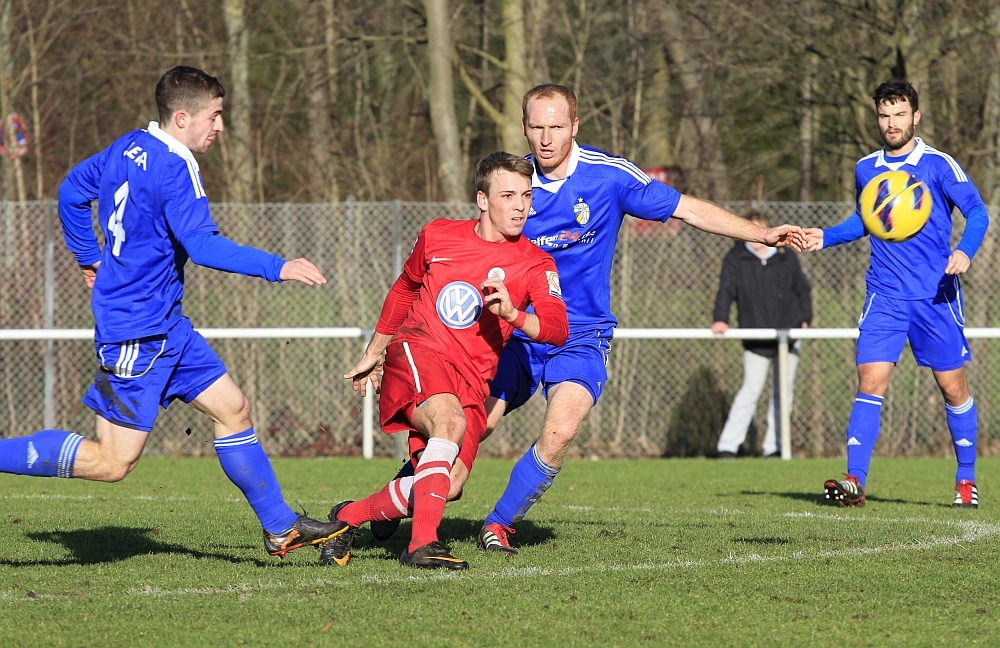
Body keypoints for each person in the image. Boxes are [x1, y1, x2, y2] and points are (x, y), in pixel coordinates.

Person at [369, 83, 806, 555]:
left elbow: (687, 208)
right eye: (536, 127)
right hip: (514, 335)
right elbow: (470, 254)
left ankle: (498, 524)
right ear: (523, 127)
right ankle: (401, 491)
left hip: (580, 335)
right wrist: (403, 341)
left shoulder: (608, 177)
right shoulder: (514, 185)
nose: (546, 137)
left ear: (575, 126)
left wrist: (759, 232)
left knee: (560, 432)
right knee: (467, 439)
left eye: (556, 126)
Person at [0, 66, 349, 557]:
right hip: (136, 332)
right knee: (112, 463)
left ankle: (279, 526)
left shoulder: (128, 146)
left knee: (233, 408)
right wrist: (278, 266)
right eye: (216, 115)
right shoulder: (175, 165)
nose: (221, 127)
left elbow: (71, 193)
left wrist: (89, 257)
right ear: (183, 117)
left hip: (166, 325)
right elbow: (203, 247)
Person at [320, 152, 568, 569]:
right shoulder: (437, 236)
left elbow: (557, 329)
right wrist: (375, 350)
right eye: (508, 195)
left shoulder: (536, 263)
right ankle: (421, 546)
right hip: (419, 349)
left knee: (448, 486)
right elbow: (404, 289)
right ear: (482, 200)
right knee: (449, 424)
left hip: (473, 380)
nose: (521, 206)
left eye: (526, 195)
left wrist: (512, 315)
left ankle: (347, 517)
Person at [805, 79, 988, 509]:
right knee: (869, 381)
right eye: (885, 116)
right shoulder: (866, 168)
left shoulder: (940, 165)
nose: (891, 123)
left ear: (915, 116)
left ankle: (966, 480)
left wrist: (964, 251)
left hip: (935, 296)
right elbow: (867, 220)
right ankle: (855, 481)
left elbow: (977, 211)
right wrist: (825, 237)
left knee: (952, 388)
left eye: (899, 114)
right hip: (884, 294)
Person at [712, 210, 812, 459]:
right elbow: (726, 290)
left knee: (783, 393)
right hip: (755, 337)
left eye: (761, 230)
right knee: (750, 390)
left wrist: (805, 319)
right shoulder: (736, 258)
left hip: (787, 335)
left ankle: (774, 448)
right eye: (750, 229)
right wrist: (720, 319)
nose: (757, 236)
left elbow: (802, 288)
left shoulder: (785, 256)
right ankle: (728, 447)